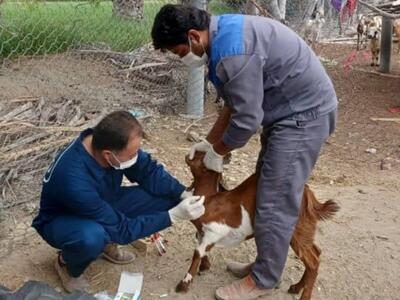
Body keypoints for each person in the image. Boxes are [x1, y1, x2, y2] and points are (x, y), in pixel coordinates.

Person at [151, 5, 337, 300]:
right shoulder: (221, 36)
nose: (180, 58)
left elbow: (247, 119)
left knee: (275, 198)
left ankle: (263, 279)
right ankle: (266, 263)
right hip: (286, 112)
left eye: (177, 52)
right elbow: (233, 103)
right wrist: (210, 143)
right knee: (265, 187)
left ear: (193, 37)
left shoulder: (232, 53)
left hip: (304, 115)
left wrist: (218, 152)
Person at [32, 111, 205, 293]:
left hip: (102, 201)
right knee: (92, 237)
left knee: (168, 196)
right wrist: (173, 216)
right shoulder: (73, 179)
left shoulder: (109, 142)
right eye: (133, 154)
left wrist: (182, 193)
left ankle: (106, 243)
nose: (136, 156)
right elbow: (122, 230)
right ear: (108, 155)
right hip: (62, 220)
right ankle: (67, 264)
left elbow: (148, 171)